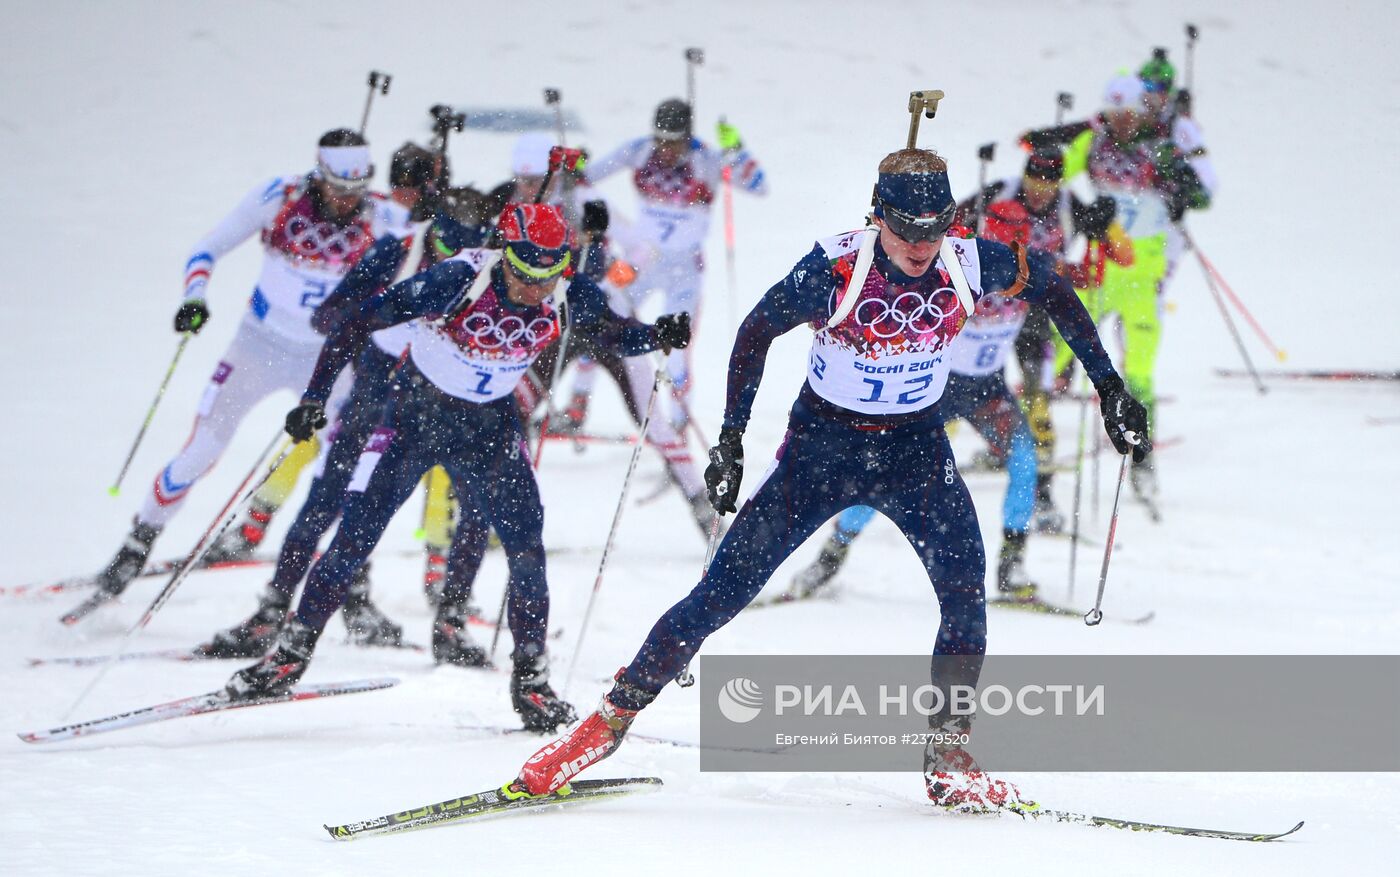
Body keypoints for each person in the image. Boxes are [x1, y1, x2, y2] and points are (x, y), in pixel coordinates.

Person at [514, 147, 1149, 808]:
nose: (920, 245)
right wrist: (731, 437)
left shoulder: (968, 259)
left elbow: (1052, 286)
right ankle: (605, 723)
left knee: (965, 590)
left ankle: (949, 752)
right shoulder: (836, 269)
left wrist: (1108, 388)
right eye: (905, 229)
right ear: (877, 217)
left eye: (934, 228)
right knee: (722, 592)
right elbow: (756, 331)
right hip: (823, 449)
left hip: (916, 450)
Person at [222, 202, 691, 732]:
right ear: (504, 254)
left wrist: (657, 333)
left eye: (547, 275)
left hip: (488, 431)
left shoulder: (566, 289)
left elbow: (612, 333)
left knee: (527, 548)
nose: (534, 289)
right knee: (356, 534)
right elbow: (355, 323)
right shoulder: (456, 278)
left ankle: (532, 681)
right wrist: (314, 396)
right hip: (415, 418)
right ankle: (289, 655)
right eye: (524, 274)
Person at [62, 129, 412, 625]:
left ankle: (352, 587)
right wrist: (194, 298)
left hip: (329, 360)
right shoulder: (280, 197)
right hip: (258, 346)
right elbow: (208, 247)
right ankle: (134, 548)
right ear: (318, 173)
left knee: (347, 471)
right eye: (337, 188)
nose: (345, 201)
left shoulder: (386, 217)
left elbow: (418, 280)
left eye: (355, 190)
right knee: (202, 451)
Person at [200, 187, 497, 660]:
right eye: (443, 251)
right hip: (377, 399)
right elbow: (330, 317)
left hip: (447, 410)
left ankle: (450, 625)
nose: (451, 266)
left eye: (464, 253)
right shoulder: (397, 248)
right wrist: (377, 322)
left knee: (477, 506)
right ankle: (272, 613)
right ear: (433, 231)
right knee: (330, 498)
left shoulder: (492, 264)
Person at [1029, 74, 1210, 505]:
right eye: (1115, 115)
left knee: (1140, 372)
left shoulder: (1158, 148)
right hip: (1098, 269)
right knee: (1056, 351)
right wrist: (1048, 152)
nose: (1123, 122)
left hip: (1141, 277)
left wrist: (1182, 187)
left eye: (1129, 114)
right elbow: (1053, 175)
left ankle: (1143, 460)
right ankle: (1032, 447)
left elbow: (1198, 194)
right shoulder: (1092, 142)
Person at [575, 100, 768, 431]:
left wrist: (735, 148)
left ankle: (678, 426)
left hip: (684, 269)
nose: (665, 148)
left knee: (677, 349)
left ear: (688, 137)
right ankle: (576, 407)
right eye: (661, 139)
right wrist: (574, 166)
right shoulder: (639, 150)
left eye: (674, 141)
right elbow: (586, 178)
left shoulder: (706, 159)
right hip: (642, 262)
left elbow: (758, 186)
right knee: (597, 322)